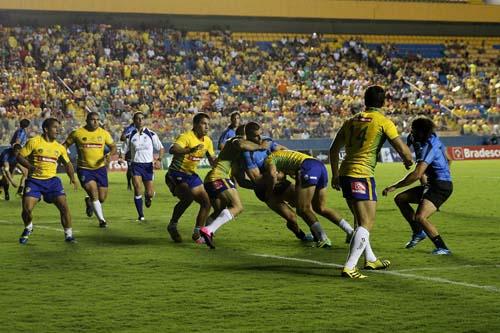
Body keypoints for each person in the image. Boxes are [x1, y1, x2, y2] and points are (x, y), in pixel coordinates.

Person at [329, 85, 413, 279]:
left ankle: (370, 259)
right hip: (362, 174)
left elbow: (333, 150)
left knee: (360, 220)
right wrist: (408, 160)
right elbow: (402, 149)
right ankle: (350, 267)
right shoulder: (383, 122)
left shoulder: (350, 121)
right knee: (367, 222)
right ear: (383, 102)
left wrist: (335, 175)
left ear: (365, 100)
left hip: (346, 173)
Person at [383, 117, 453, 255]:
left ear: (422, 132)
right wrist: (407, 159)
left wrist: (394, 186)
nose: (411, 132)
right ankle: (418, 233)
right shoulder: (415, 138)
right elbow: (448, 159)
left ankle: (443, 247)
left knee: (420, 217)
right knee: (400, 199)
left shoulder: (431, 145)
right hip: (433, 183)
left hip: (440, 186)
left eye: (414, 130)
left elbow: (417, 174)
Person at [263, 149, 354, 248]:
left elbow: (272, 175)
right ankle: (350, 232)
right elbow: (298, 176)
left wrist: (270, 191)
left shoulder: (270, 159)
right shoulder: (285, 158)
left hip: (308, 167)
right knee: (320, 208)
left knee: (303, 209)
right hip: (320, 166)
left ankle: (323, 239)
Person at [199, 124, 271, 248]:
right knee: (237, 207)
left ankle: (204, 238)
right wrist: (260, 147)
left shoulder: (237, 156)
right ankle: (208, 231)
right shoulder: (235, 140)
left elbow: (241, 181)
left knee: (218, 211)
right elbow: (241, 144)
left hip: (211, 180)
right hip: (218, 177)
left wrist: (257, 187)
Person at [239, 122, 314, 242]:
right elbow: (257, 180)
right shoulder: (247, 154)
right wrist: (277, 174)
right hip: (266, 191)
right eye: (255, 136)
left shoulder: (267, 142)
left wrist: (287, 168)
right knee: (291, 218)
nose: (259, 138)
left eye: (260, 135)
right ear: (247, 136)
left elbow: (285, 152)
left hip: (282, 184)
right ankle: (301, 235)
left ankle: (317, 233)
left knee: (305, 206)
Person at [16, 118, 78, 244]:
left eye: (59, 127)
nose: (58, 130)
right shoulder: (34, 142)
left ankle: (69, 235)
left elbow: (68, 164)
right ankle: (28, 227)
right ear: (46, 129)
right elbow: (19, 156)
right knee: (27, 210)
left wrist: (72, 177)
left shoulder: (59, 147)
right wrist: (31, 167)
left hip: (52, 182)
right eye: (55, 127)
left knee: (64, 207)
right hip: (34, 181)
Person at [165, 113, 216, 243]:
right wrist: (189, 151)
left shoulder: (208, 141)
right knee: (187, 197)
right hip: (176, 174)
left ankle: (197, 232)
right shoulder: (186, 137)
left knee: (207, 202)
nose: (206, 127)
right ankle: (172, 225)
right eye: (204, 124)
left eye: (208, 125)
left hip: (191, 175)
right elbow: (172, 149)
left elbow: (212, 161)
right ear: (195, 124)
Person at [64, 112, 117, 228]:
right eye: (93, 120)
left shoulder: (103, 133)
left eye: (97, 120)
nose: (95, 122)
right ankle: (102, 221)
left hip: (100, 169)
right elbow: (64, 146)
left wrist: (109, 154)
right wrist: (64, 158)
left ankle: (89, 202)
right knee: (94, 192)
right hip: (85, 169)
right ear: (87, 121)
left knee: (101, 198)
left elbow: (113, 147)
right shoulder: (77, 133)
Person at [122, 112, 164, 221]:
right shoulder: (130, 135)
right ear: (134, 121)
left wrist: (159, 160)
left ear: (144, 120)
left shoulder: (151, 134)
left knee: (149, 193)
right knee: (137, 187)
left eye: (142, 118)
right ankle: (141, 215)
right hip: (135, 165)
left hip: (148, 166)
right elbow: (123, 150)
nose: (140, 121)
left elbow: (161, 148)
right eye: (138, 119)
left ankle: (148, 198)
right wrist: (121, 158)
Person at [10, 118, 30, 196]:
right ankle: (20, 190)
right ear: (27, 126)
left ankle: (20, 190)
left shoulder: (20, 131)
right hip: (16, 155)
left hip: (15, 154)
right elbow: (17, 142)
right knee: (25, 172)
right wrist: (18, 154)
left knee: (12, 174)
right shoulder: (21, 132)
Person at [120, 122, 136, 191]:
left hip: (138, 152)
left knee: (134, 169)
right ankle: (129, 183)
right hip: (130, 151)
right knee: (130, 169)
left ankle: (135, 183)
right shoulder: (129, 128)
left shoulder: (141, 129)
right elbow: (122, 138)